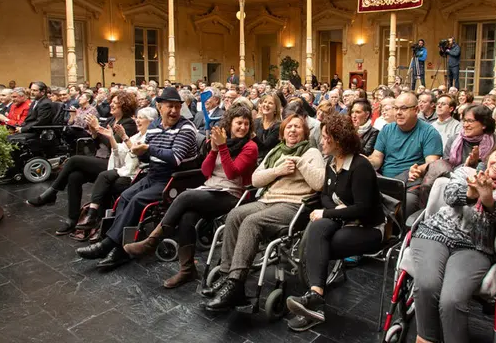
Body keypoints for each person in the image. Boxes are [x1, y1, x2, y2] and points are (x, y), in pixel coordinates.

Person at [411, 140, 496, 343]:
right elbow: (449, 195)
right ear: (491, 153)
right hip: (435, 234)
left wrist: (487, 198)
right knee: (427, 285)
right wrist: (471, 193)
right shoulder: (466, 172)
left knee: (452, 300)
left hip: (474, 247)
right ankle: (425, 338)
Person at [124, 106, 258, 288]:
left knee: (186, 196)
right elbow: (205, 171)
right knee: (187, 217)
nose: (242, 127)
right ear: (230, 124)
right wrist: (213, 150)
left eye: (246, 124)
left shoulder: (250, 147)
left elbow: (232, 173)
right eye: (238, 123)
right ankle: (187, 270)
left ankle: (152, 241)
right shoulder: (221, 142)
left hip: (233, 194)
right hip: (211, 189)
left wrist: (222, 148)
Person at [203, 114, 325, 311]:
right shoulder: (276, 151)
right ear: (283, 132)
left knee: (252, 222)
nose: (292, 130)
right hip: (268, 199)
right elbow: (256, 179)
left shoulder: (311, 153)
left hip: (293, 205)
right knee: (235, 215)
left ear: (305, 132)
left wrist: (300, 163)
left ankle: (235, 284)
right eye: (288, 127)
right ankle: (226, 274)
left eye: (297, 127)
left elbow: (319, 184)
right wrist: (278, 171)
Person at [76, 87, 203, 270]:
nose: (174, 111)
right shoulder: (153, 127)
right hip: (154, 174)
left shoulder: (186, 128)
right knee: (125, 196)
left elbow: (175, 158)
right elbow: (146, 158)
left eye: (177, 107)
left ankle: (110, 246)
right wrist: (140, 153)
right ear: (159, 107)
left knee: (137, 200)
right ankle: (119, 246)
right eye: (170, 106)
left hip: (175, 178)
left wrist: (148, 150)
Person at [285, 113, 385, 331]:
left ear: (337, 140)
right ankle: (316, 298)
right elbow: (325, 196)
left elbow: (363, 209)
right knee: (318, 229)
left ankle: (313, 301)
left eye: (324, 137)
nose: (321, 141)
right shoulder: (332, 163)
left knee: (320, 244)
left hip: (367, 227)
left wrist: (329, 213)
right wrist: (335, 211)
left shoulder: (360, 167)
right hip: (343, 220)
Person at [27, 91, 138, 234]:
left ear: (125, 105)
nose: (111, 104)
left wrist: (98, 129)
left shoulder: (128, 123)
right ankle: (72, 220)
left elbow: (116, 149)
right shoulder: (110, 121)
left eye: (115, 102)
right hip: (102, 159)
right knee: (75, 176)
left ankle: (51, 193)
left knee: (73, 160)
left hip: (115, 165)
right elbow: (99, 145)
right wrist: (94, 132)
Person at [73, 107, 157, 235]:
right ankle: (96, 220)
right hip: (126, 170)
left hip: (138, 174)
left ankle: (96, 220)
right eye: (137, 117)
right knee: (98, 179)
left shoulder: (151, 136)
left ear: (150, 121)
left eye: (140, 118)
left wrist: (124, 136)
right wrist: (111, 137)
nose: (137, 121)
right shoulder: (137, 135)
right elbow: (120, 151)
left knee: (105, 182)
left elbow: (138, 154)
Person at [368, 93, 443, 216]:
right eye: (396, 108)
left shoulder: (429, 133)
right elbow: (377, 158)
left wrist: (419, 169)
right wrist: (366, 161)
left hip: (410, 185)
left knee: (407, 203)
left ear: (416, 110)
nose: (398, 112)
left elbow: (432, 164)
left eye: (403, 108)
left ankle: (402, 234)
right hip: (385, 182)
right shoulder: (387, 129)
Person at [254, 93, 282, 162]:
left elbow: (265, 147)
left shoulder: (278, 126)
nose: (266, 105)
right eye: (265, 102)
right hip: (253, 157)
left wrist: (252, 135)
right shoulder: (256, 121)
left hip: (268, 161)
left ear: (276, 108)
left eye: (270, 103)